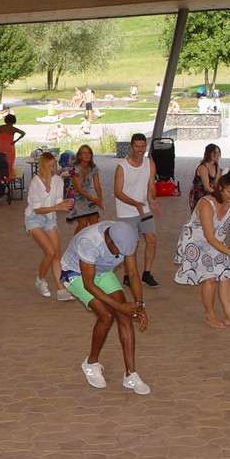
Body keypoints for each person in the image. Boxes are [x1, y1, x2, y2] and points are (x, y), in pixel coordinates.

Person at [60, 221, 150, 394]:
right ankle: (91, 363)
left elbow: (132, 273)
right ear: (109, 240)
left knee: (125, 316)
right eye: (119, 251)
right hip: (75, 273)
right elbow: (88, 284)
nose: (121, 255)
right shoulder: (89, 242)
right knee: (107, 315)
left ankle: (130, 375)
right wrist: (120, 306)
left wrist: (140, 304)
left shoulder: (125, 238)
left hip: (102, 272)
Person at [174, 172, 230, 329]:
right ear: (220, 188)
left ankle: (229, 316)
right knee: (211, 277)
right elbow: (209, 237)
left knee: (226, 275)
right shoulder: (206, 204)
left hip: (216, 241)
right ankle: (210, 315)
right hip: (195, 241)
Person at [25, 151, 74, 301]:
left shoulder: (58, 180)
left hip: (50, 217)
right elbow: (37, 209)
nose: (53, 169)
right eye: (50, 166)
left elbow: (58, 201)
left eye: (54, 165)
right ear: (43, 166)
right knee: (50, 252)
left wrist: (65, 203)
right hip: (34, 218)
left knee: (56, 254)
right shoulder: (35, 182)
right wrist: (58, 207)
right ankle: (40, 279)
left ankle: (61, 289)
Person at [114, 133, 161, 288]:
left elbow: (151, 186)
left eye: (142, 146)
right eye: (137, 146)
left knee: (152, 239)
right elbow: (117, 192)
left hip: (144, 209)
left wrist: (152, 200)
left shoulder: (150, 163)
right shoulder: (122, 167)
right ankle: (128, 274)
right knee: (132, 245)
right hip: (126, 212)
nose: (140, 150)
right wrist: (135, 204)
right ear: (131, 147)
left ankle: (147, 273)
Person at [66, 144, 103, 235]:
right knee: (83, 223)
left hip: (87, 194)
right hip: (75, 196)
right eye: (84, 153)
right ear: (79, 156)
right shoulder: (75, 168)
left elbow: (97, 186)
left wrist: (100, 199)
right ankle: (75, 241)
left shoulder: (94, 168)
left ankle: (92, 240)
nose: (87, 155)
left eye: (89, 153)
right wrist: (93, 199)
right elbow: (79, 189)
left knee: (94, 220)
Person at [189, 144, 222, 212]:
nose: (218, 155)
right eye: (215, 153)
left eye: (219, 152)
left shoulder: (217, 167)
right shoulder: (203, 168)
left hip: (211, 195)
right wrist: (218, 195)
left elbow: (217, 183)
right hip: (199, 195)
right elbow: (206, 187)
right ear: (209, 154)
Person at [0, 114, 25, 179]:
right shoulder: (14, 129)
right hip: (10, 146)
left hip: (1, 146)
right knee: (9, 161)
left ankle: (0, 176)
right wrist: (15, 141)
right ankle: (8, 176)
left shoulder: (0, 128)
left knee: (1, 161)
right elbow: (23, 133)